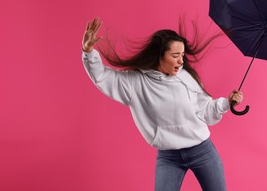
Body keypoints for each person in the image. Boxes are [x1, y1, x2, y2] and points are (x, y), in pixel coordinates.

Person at [82, 17, 244, 191]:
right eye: (175, 55)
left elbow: (205, 110)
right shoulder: (136, 83)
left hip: (202, 151)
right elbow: (103, 77)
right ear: (160, 55)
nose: (181, 61)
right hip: (169, 157)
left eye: (182, 55)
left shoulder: (186, 77)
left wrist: (226, 103)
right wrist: (88, 51)